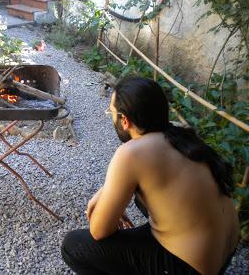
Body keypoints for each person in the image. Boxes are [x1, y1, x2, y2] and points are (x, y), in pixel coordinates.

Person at [61, 77, 239, 275]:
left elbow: (99, 230)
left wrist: (103, 199)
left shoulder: (131, 153)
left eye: (111, 113)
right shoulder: (183, 137)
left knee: (73, 246)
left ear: (124, 120)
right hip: (223, 257)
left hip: (188, 269)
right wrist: (107, 190)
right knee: (141, 200)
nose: (110, 118)